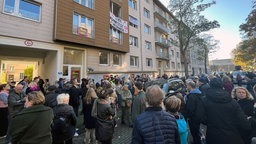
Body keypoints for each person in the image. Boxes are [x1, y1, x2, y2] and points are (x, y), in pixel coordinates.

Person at [204, 78, 251, 144]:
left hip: (213, 135)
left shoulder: (205, 100)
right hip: (232, 135)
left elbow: (200, 117)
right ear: (222, 86)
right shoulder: (232, 101)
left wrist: (210, 122)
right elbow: (243, 121)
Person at [185, 79, 203, 144]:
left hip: (193, 118)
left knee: (194, 133)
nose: (186, 87)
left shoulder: (191, 96)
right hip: (198, 116)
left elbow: (190, 109)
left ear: (190, 86)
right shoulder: (199, 94)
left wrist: (188, 116)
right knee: (197, 132)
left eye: (187, 86)